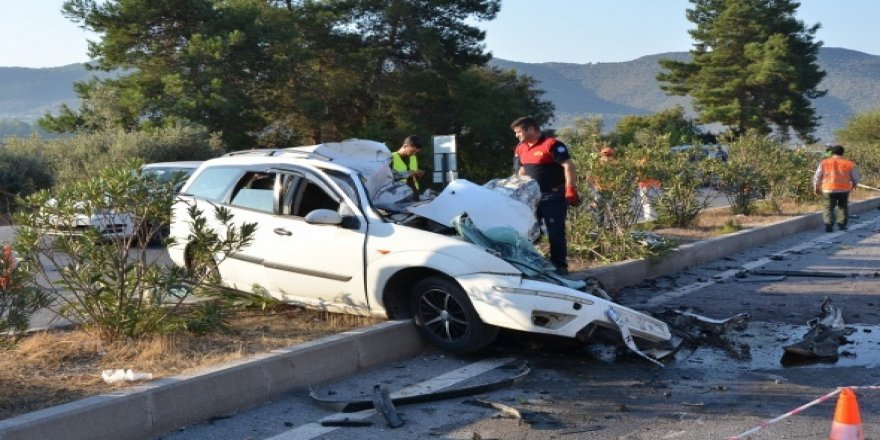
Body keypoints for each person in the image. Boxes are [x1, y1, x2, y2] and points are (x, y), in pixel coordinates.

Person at [511, 116, 579, 275]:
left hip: (553, 196)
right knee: (529, 232)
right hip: (531, 198)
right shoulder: (520, 148)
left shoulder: (552, 145)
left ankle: (560, 266)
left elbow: (568, 165)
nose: (517, 135)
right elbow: (520, 171)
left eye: (519, 132)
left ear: (530, 129)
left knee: (555, 231)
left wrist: (571, 189)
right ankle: (531, 266)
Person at [813, 145, 860, 232]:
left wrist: (816, 187)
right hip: (844, 189)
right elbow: (855, 177)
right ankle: (842, 225)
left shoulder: (824, 162)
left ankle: (829, 225)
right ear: (843, 152)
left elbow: (817, 176)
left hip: (828, 188)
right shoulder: (849, 163)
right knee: (842, 206)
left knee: (828, 207)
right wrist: (854, 185)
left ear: (832, 153)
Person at [391, 135, 425, 199]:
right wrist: (408, 174)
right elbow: (388, 177)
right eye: (412, 151)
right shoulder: (391, 157)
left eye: (416, 152)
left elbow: (413, 175)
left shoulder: (413, 158)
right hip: (398, 195)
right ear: (405, 146)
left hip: (414, 194)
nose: (414, 154)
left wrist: (418, 174)